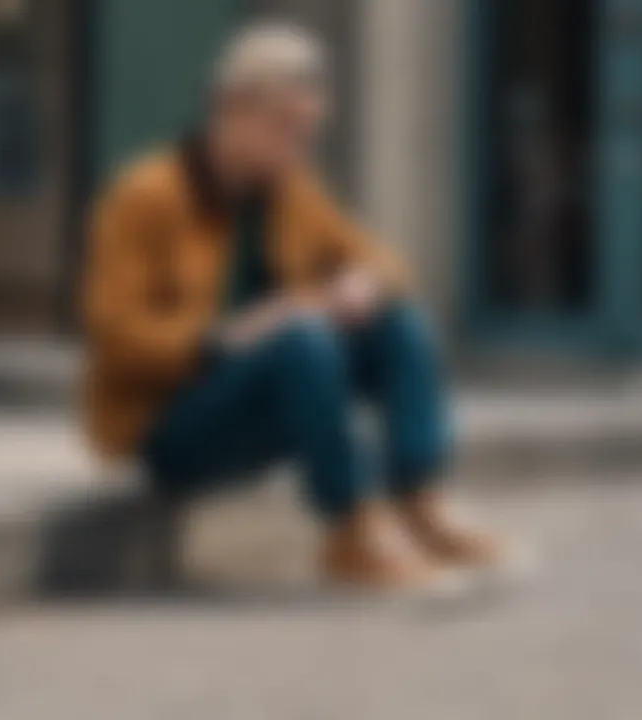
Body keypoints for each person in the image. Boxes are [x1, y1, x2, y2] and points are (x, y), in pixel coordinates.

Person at [83, 23, 505, 596]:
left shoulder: (288, 190)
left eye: (305, 133)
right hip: (171, 425)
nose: (295, 148)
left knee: (399, 321)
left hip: (271, 393)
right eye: (282, 128)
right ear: (229, 109)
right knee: (303, 337)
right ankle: (351, 528)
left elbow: (382, 258)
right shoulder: (144, 196)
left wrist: (361, 281)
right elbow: (113, 336)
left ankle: (419, 499)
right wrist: (223, 338)